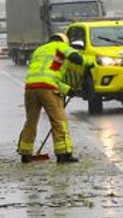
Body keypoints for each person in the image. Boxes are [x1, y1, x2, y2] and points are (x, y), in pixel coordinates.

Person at [17, 33, 86, 164]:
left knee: (31, 121)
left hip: (30, 88)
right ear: (64, 43)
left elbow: (48, 75)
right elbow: (52, 78)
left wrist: (68, 90)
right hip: (47, 89)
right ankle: (64, 154)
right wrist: (89, 63)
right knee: (59, 121)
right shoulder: (60, 50)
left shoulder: (40, 51)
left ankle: (25, 153)